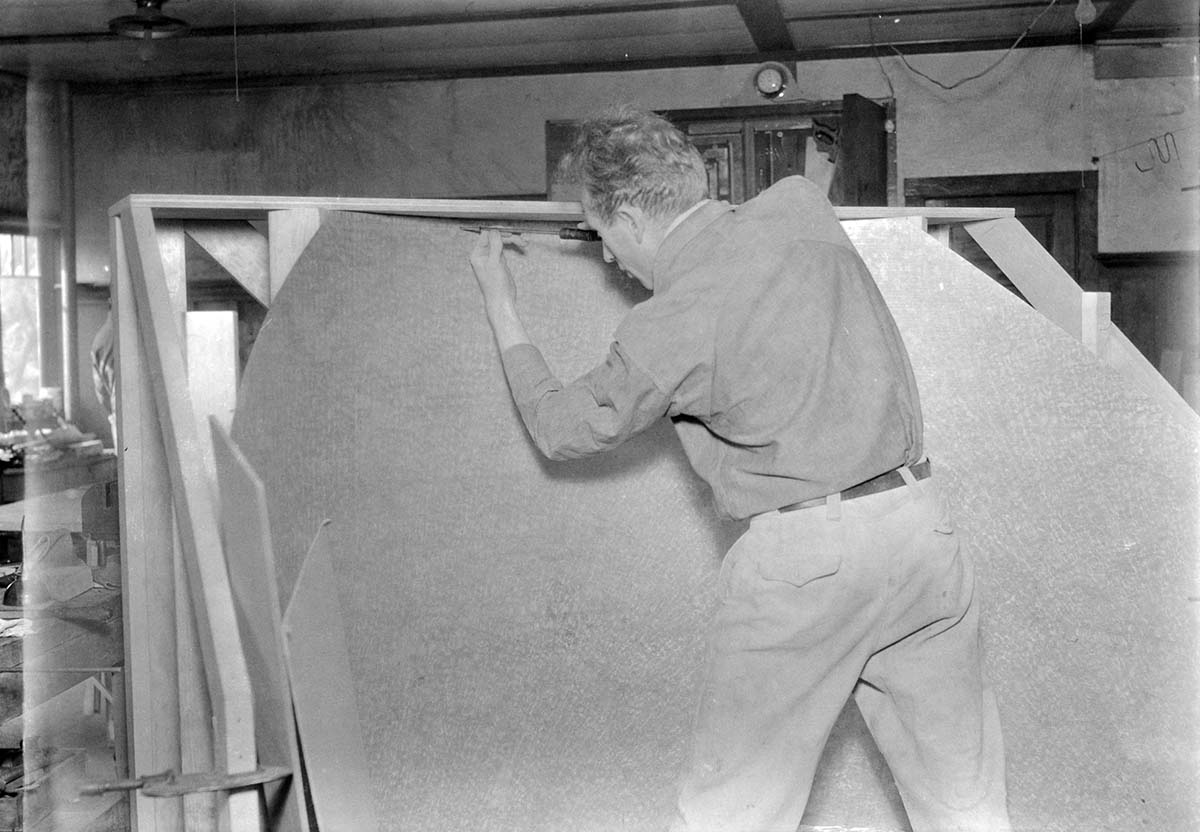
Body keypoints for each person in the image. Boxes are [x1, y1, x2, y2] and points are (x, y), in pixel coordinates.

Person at [469, 106, 1010, 832]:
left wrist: (501, 306)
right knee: (966, 807)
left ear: (630, 216)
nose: (607, 258)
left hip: (807, 566)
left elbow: (563, 430)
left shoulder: (669, 322)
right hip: (922, 538)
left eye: (601, 234)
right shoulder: (797, 206)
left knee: (730, 817)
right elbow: (794, 195)